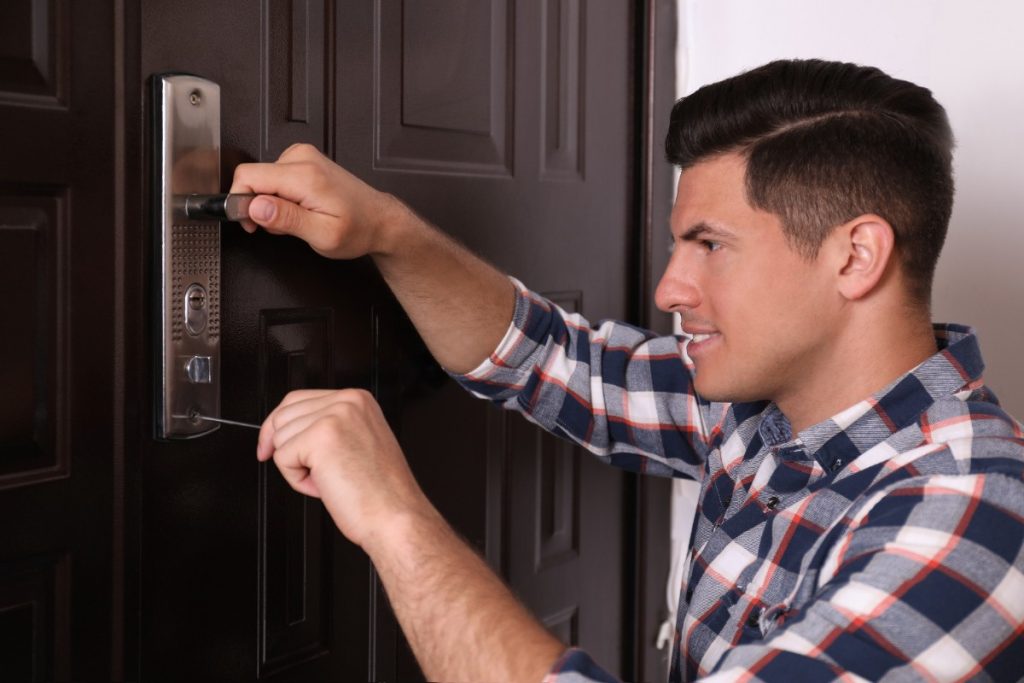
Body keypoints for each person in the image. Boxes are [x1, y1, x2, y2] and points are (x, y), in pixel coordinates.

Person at [233, 59, 1024, 681]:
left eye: (710, 244)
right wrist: (384, 231)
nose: (669, 289)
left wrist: (395, 519)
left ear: (855, 256)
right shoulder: (766, 405)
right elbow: (545, 355)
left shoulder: (971, 517)